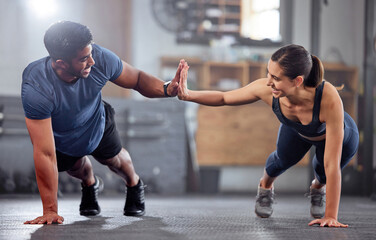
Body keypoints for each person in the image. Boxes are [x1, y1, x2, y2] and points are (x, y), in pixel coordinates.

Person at [177, 44, 359, 228]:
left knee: (324, 171)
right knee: (281, 160)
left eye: (276, 78)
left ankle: (318, 187)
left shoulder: (328, 97)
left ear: (297, 81)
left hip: (339, 136)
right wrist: (188, 94)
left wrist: (331, 216)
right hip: (297, 129)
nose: (268, 82)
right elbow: (224, 98)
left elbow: (332, 164)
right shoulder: (267, 90)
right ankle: (265, 185)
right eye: (268, 73)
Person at [21, 21, 184, 224]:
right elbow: (45, 152)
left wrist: (168, 89)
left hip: (96, 122)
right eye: (83, 59)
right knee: (76, 168)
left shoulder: (99, 58)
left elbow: (138, 79)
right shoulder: (36, 86)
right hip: (62, 138)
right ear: (61, 63)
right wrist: (50, 210)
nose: (92, 61)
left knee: (114, 161)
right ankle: (90, 184)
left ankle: (134, 184)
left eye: (90, 54)